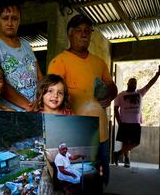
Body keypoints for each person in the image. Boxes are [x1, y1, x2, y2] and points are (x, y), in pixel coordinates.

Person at [48, 14, 117, 185]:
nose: (84, 34)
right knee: (77, 183)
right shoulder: (59, 62)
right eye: (79, 30)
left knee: (98, 180)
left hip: (101, 133)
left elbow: (112, 86)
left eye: (87, 31)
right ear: (69, 35)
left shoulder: (99, 63)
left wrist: (109, 95)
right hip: (75, 136)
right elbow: (51, 98)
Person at [0, 3, 43, 111]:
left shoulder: (26, 45)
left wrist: (41, 99)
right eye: (5, 18)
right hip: (11, 112)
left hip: (35, 109)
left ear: (20, 20)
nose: (10, 23)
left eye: (14, 19)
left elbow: (39, 77)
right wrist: (27, 105)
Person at [113, 66, 160, 168]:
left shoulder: (139, 93)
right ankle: (126, 160)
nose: (133, 84)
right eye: (131, 82)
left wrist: (158, 74)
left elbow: (150, 84)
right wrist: (119, 122)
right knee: (125, 143)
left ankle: (117, 153)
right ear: (128, 83)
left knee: (136, 142)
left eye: (135, 82)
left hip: (135, 123)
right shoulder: (120, 95)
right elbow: (115, 109)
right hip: (124, 123)